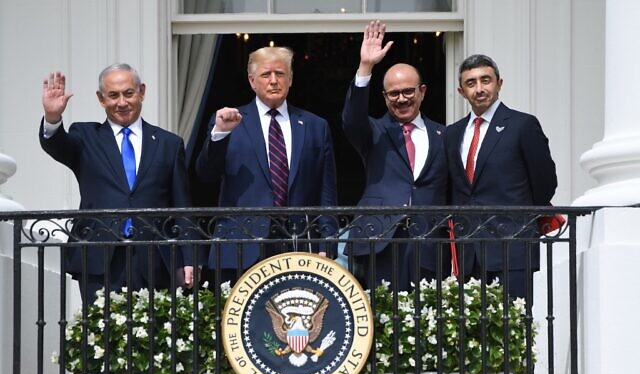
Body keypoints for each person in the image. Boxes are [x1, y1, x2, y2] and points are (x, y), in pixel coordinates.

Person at [445, 54, 558, 374]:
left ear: (499, 83)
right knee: (473, 332)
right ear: (461, 90)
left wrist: (519, 222)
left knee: (516, 332)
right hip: (469, 252)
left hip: (513, 247)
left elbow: (545, 184)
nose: (479, 88)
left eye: (485, 80)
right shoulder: (451, 135)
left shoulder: (523, 125)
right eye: (471, 83)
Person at [40, 64, 198, 302]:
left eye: (129, 93)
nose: (122, 102)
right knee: (100, 334)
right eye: (113, 95)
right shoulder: (85, 136)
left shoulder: (168, 143)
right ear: (101, 99)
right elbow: (57, 144)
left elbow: (182, 205)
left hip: (156, 256)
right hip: (100, 256)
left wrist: (190, 257)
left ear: (141, 92)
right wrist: (53, 118)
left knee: (156, 336)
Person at [195, 46, 338, 282]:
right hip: (241, 246)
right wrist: (219, 134)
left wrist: (327, 242)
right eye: (266, 74)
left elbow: (326, 190)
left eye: (280, 74)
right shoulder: (230, 120)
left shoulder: (315, 126)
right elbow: (206, 175)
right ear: (252, 81)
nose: (274, 81)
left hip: (298, 245)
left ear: (290, 79)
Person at [342, 21, 449, 290]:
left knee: (427, 319)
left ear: (422, 92)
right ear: (385, 97)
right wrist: (365, 68)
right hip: (379, 240)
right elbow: (351, 119)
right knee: (384, 317)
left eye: (408, 91)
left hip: (429, 242)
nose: (401, 99)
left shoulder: (445, 135)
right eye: (393, 94)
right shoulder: (374, 131)